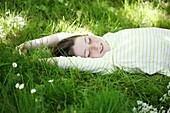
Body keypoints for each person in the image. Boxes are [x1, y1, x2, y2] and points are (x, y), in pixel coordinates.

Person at [16, 28, 170, 76]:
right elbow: (63, 61)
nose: (95, 47)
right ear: (88, 60)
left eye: (88, 41)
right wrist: (29, 62)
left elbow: (63, 36)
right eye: (88, 54)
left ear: (89, 35)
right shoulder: (107, 63)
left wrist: (30, 44)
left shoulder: (108, 37)